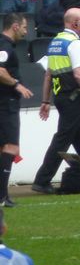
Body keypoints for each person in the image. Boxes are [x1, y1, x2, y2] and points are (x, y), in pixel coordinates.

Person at [32, 8, 80, 194]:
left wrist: (45, 101)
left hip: (62, 97)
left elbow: (48, 74)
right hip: (73, 97)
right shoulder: (74, 43)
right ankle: (42, 180)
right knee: (62, 140)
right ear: (75, 24)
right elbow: (79, 75)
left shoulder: (56, 42)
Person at [0, 15, 33, 207]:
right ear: (14, 27)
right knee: (11, 147)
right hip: (6, 102)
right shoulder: (5, 46)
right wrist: (17, 85)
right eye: (24, 27)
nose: (26, 31)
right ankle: (2, 196)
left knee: (3, 148)